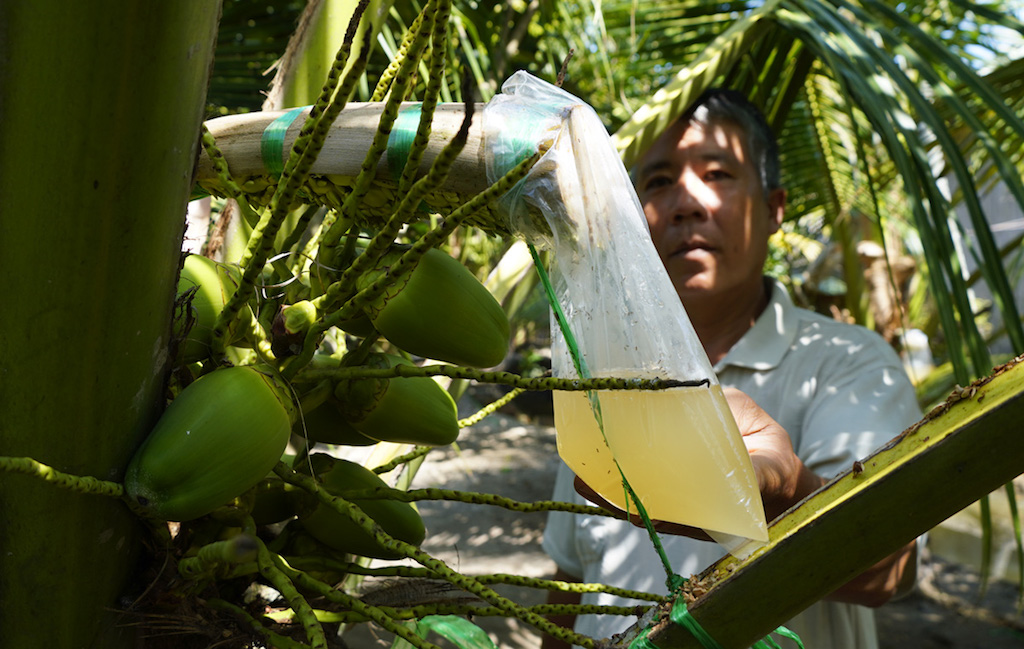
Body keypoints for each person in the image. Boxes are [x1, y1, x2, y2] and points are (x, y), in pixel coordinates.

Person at [541, 89, 923, 649]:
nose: (685, 203)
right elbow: (571, 581)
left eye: (717, 173)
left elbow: (887, 570)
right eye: (658, 181)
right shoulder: (601, 378)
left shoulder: (850, 364)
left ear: (773, 209)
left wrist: (788, 495)